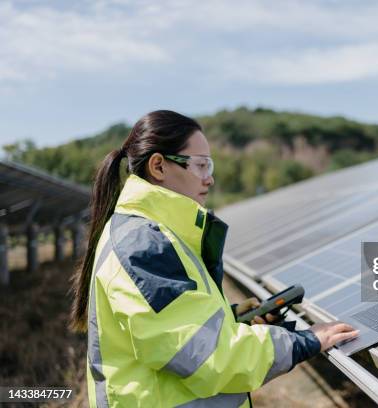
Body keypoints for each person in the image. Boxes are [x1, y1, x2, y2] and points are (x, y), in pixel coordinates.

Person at [69, 110, 359, 407]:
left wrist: (232, 319)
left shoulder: (150, 234)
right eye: (201, 165)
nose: (210, 178)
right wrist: (304, 341)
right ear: (158, 166)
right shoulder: (144, 246)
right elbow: (207, 357)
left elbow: (170, 331)